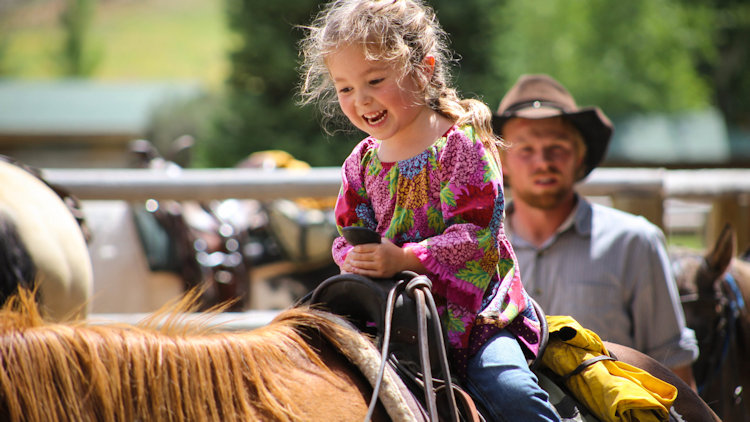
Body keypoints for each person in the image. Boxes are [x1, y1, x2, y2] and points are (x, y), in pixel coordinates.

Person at [298, 1, 561, 420]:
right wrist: (357, 258)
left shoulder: (461, 144)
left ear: (423, 68)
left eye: (375, 80)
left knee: (511, 391)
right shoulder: (361, 162)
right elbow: (349, 232)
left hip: (471, 314)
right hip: (390, 310)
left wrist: (404, 258)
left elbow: (477, 237)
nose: (360, 99)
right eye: (345, 87)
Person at [492, 74, 699, 388]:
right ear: (500, 159)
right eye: (525, 148)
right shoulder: (476, 247)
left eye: (557, 147)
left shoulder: (634, 243)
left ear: (580, 156)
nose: (542, 162)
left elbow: (675, 374)